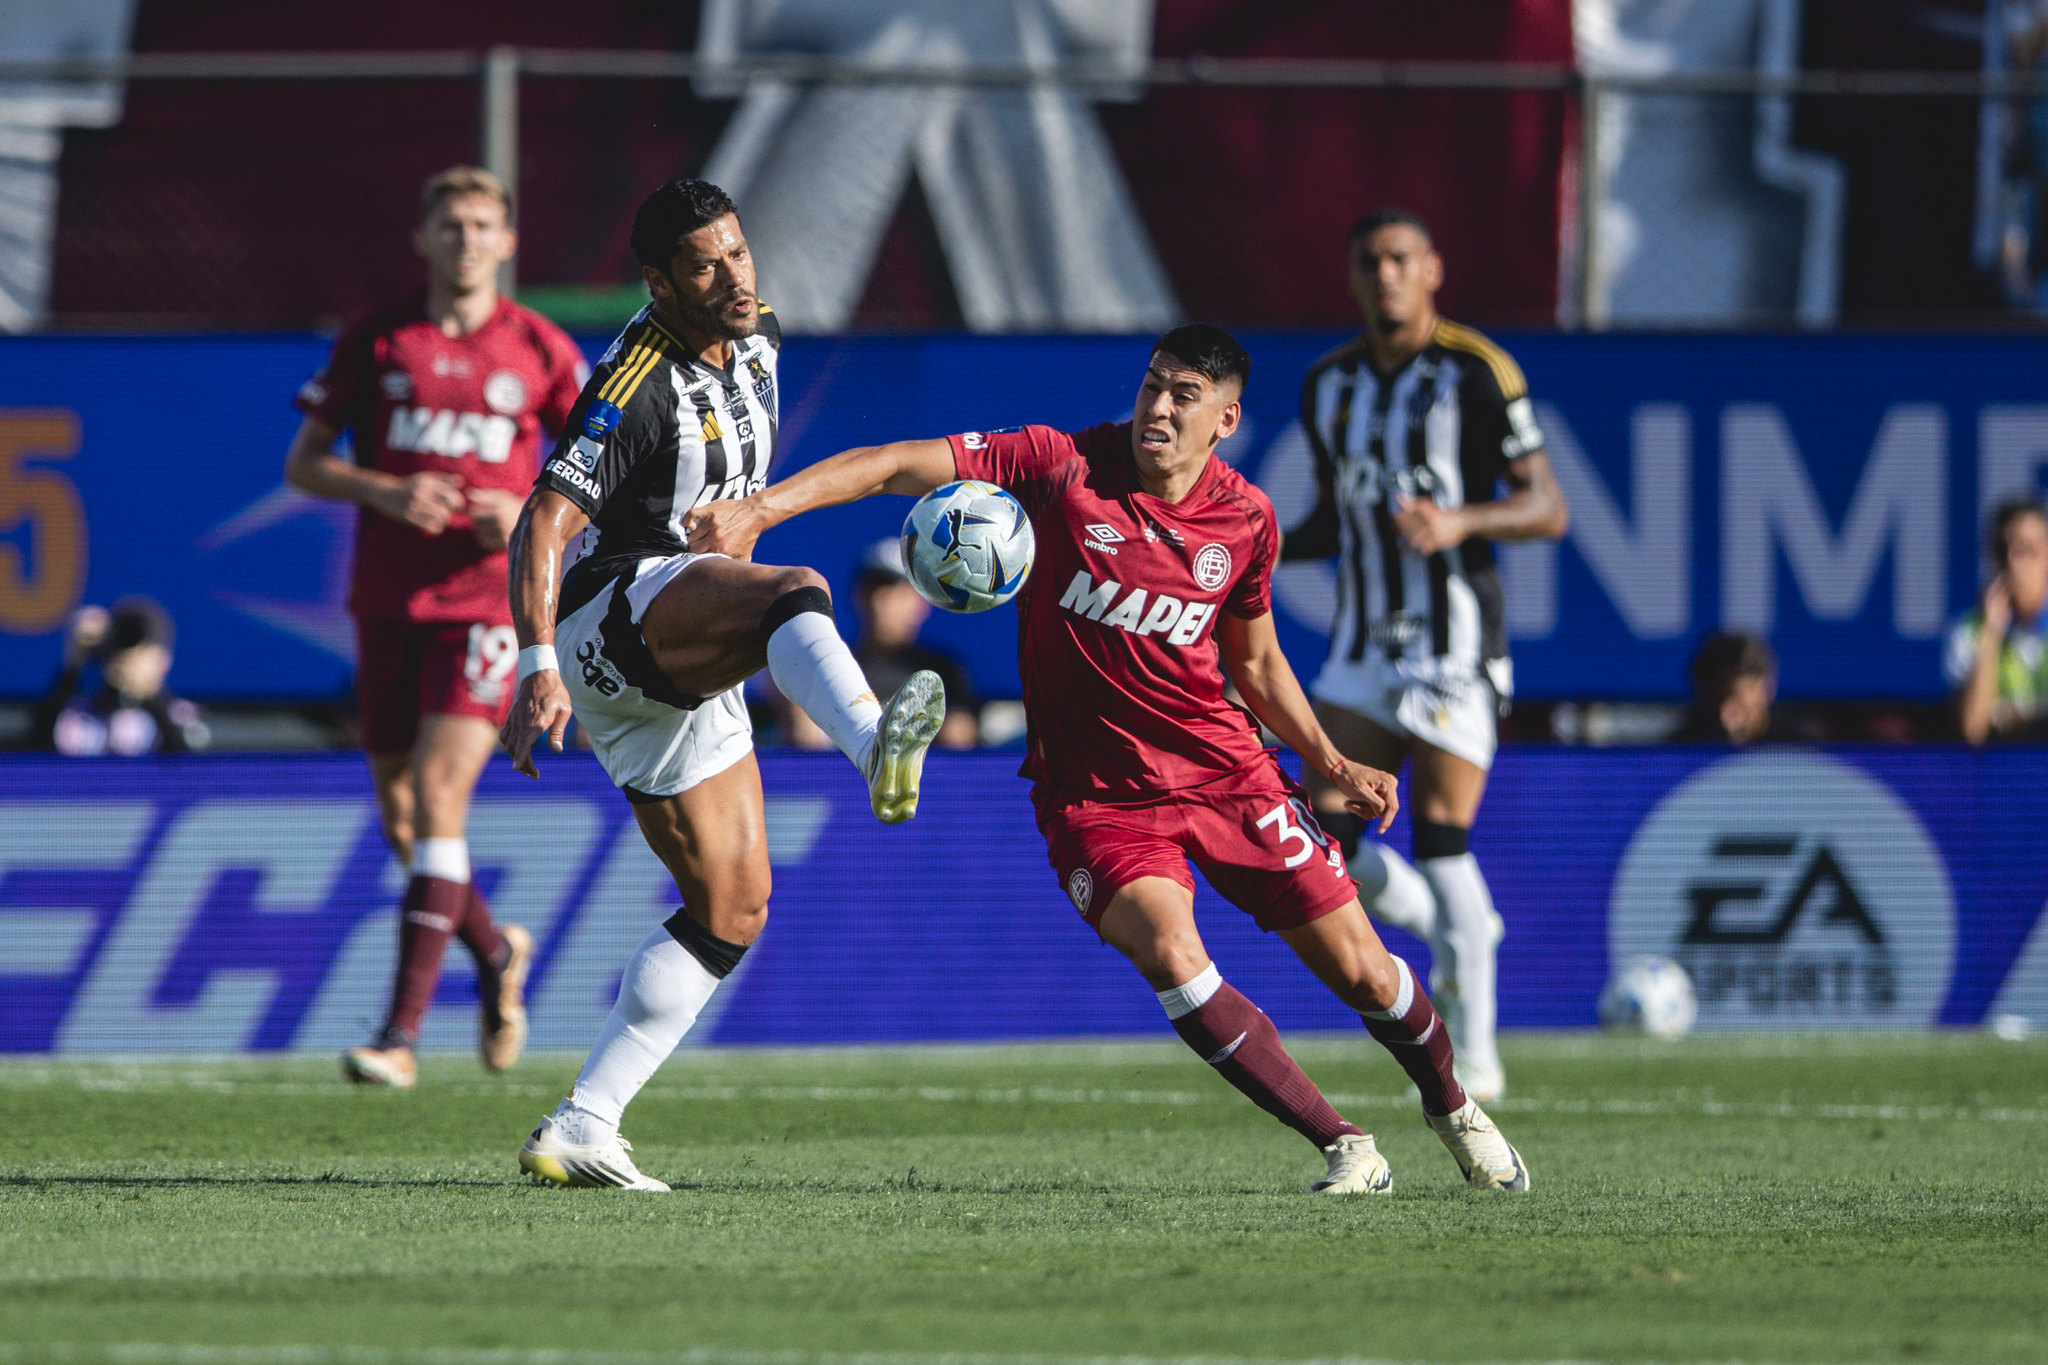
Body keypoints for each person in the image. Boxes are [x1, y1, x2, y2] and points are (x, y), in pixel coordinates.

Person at [695, 323, 1529, 1195]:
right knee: (1172, 955)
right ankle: (1344, 1143)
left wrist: (1332, 759)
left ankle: (1455, 1108)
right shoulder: (1062, 465)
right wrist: (764, 508)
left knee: (1364, 970)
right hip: (1096, 800)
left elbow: (1255, 664)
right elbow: (898, 463)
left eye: (1183, 396)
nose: (1157, 408)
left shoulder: (1245, 518)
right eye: (1152, 386)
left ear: (1226, 419)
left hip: (1230, 776)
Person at [501, 179, 946, 1191]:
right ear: (658, 282)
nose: (733, 274)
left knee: (730, 908)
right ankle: (874, 742)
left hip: (679, 652)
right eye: (704, 263)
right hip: (612, 614)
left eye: (738, 251)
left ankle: (584, 1122)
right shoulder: (634, 382)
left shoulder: (759, 336)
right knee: (792, 588)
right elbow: (541, 523)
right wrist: (534, 667)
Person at [284, 166, 587, 1089]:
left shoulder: (541, 348)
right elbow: (304, 463)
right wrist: (386, 488)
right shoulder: (377, 339)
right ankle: (496, 955)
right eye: (450, 224)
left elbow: (600, 477)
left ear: (508, 242)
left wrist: (526, 506)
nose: (466, 239)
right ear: (422, 238)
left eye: (482, 224)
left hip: (486, 605)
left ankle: (400, 1035)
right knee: (402, 815)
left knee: (440, 797)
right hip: (387, 600)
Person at [1278, 208, 1568, 1104]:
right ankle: (1444, 921)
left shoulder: (1477, 372)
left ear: (1434, 269)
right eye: (1371, 261)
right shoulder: (1328, 384)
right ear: (1353, 277)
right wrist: (1259, 548)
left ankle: (1476, 1052)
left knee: (1444, 840)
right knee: (1324, 839)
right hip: (1362, 648)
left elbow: (1546, 507)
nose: (1387, 275)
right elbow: (1335, 518)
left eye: (1402, 258)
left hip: (1453, 646)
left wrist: (1459, 521)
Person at [779, 538, 981, 749]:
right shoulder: (831, 665)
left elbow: (959, 741)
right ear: (858, 595)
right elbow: (807, 744)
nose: (880, 600)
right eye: (872, 588)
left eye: (894, 589)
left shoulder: (945, 671)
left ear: (919, 601)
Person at [25, 598, 209, 755]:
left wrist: (151, 694)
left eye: (138, 644)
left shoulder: (183, 716)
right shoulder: (76, 715)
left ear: (163, 659)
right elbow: (33, 750)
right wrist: (75, 664)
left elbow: (192, 767)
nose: (125, 655)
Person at [1948, 497, 2048, 743]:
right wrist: (1991, 632)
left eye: (2026, 549)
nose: (2014, 562)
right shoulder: (1968, 631)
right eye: (2003, 550)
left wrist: (2014, 721)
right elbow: (1972, 729)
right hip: (2000, 777)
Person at [1673, 632, 1812, 744]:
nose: (1725, 715)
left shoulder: (1806, 749)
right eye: (1715, 701)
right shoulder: (1674, 753)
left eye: (1738, 702)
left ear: (1766, 689)